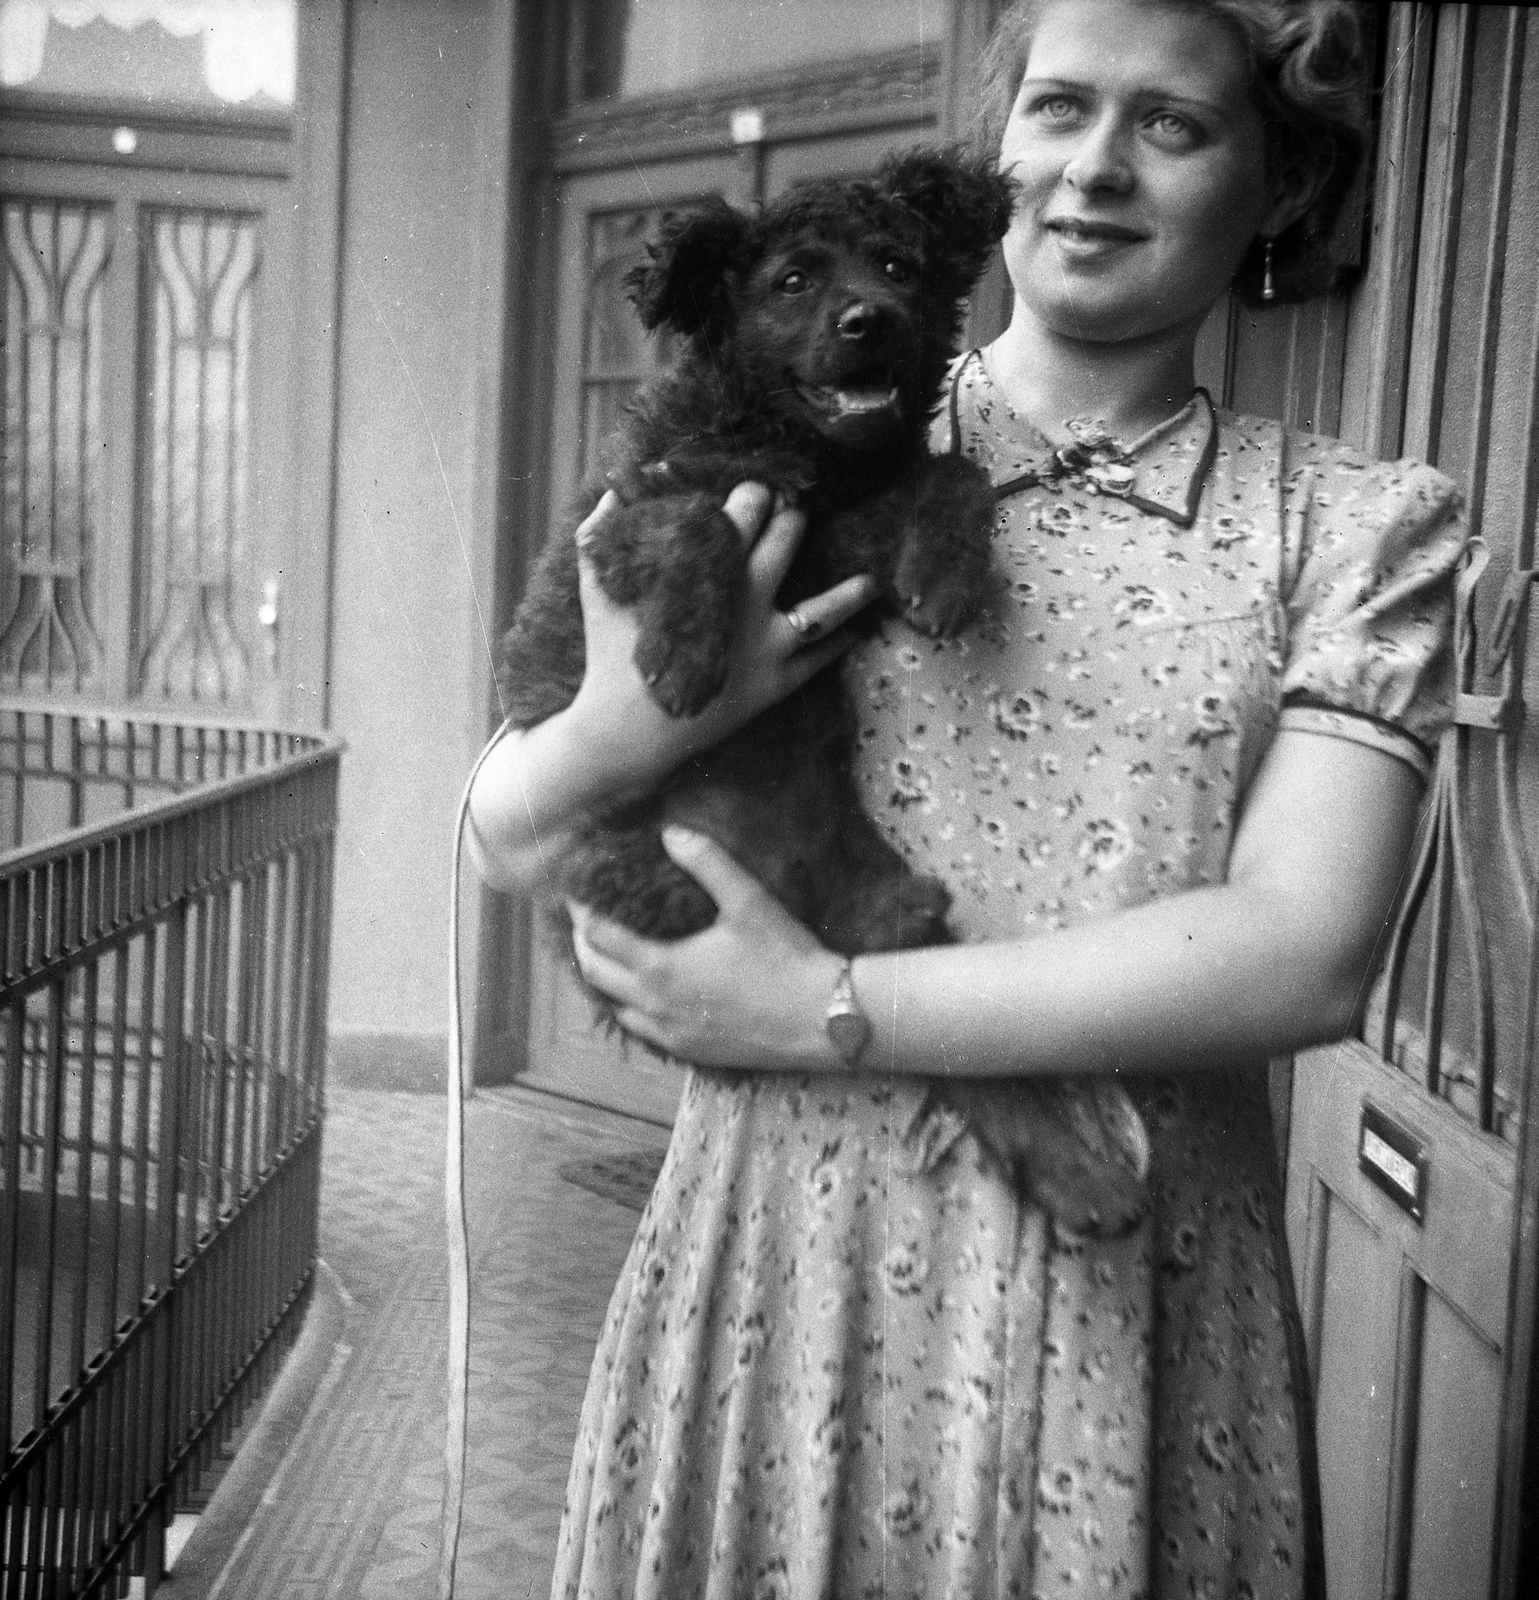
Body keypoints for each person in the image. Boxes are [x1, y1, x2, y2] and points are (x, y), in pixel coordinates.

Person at [468, 1, 1468, 1594]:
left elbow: (1307, 950)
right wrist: (627, 725)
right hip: (776, 1262)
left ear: (1276, 187)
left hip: (1128, 1279)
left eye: (1174, 125)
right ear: (996, 158)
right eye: (1060, 110)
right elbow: (508, 830)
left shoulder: (1353, 528)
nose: (1095, 169)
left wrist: (830, 1006)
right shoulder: (776, 431)